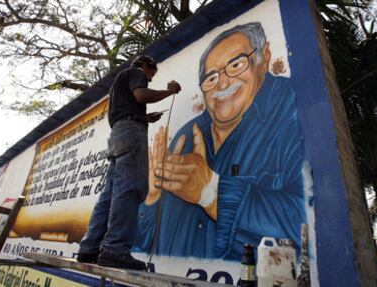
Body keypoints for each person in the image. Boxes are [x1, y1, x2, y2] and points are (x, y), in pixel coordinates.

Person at [136, 23, 306, 260]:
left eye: (236, 65)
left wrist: (211, 192)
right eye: (211, 78)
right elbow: (145, 250)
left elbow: (309, 224)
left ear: (264, 57)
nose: (223, 84)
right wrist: (152, 200)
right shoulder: (185, 136)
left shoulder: (296, 110)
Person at [77, 55, 181, 270]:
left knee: (109, 194)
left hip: (118, 135)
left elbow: (132, 106)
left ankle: (89, 249)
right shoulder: (135, 73)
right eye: (151, 75)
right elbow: (141, 95)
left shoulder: (118, 85)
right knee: (129, 189)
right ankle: (115, 250)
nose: (149, 79)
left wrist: (146, 118)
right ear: (145, 66)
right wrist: (169, 91)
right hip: (131, 134)